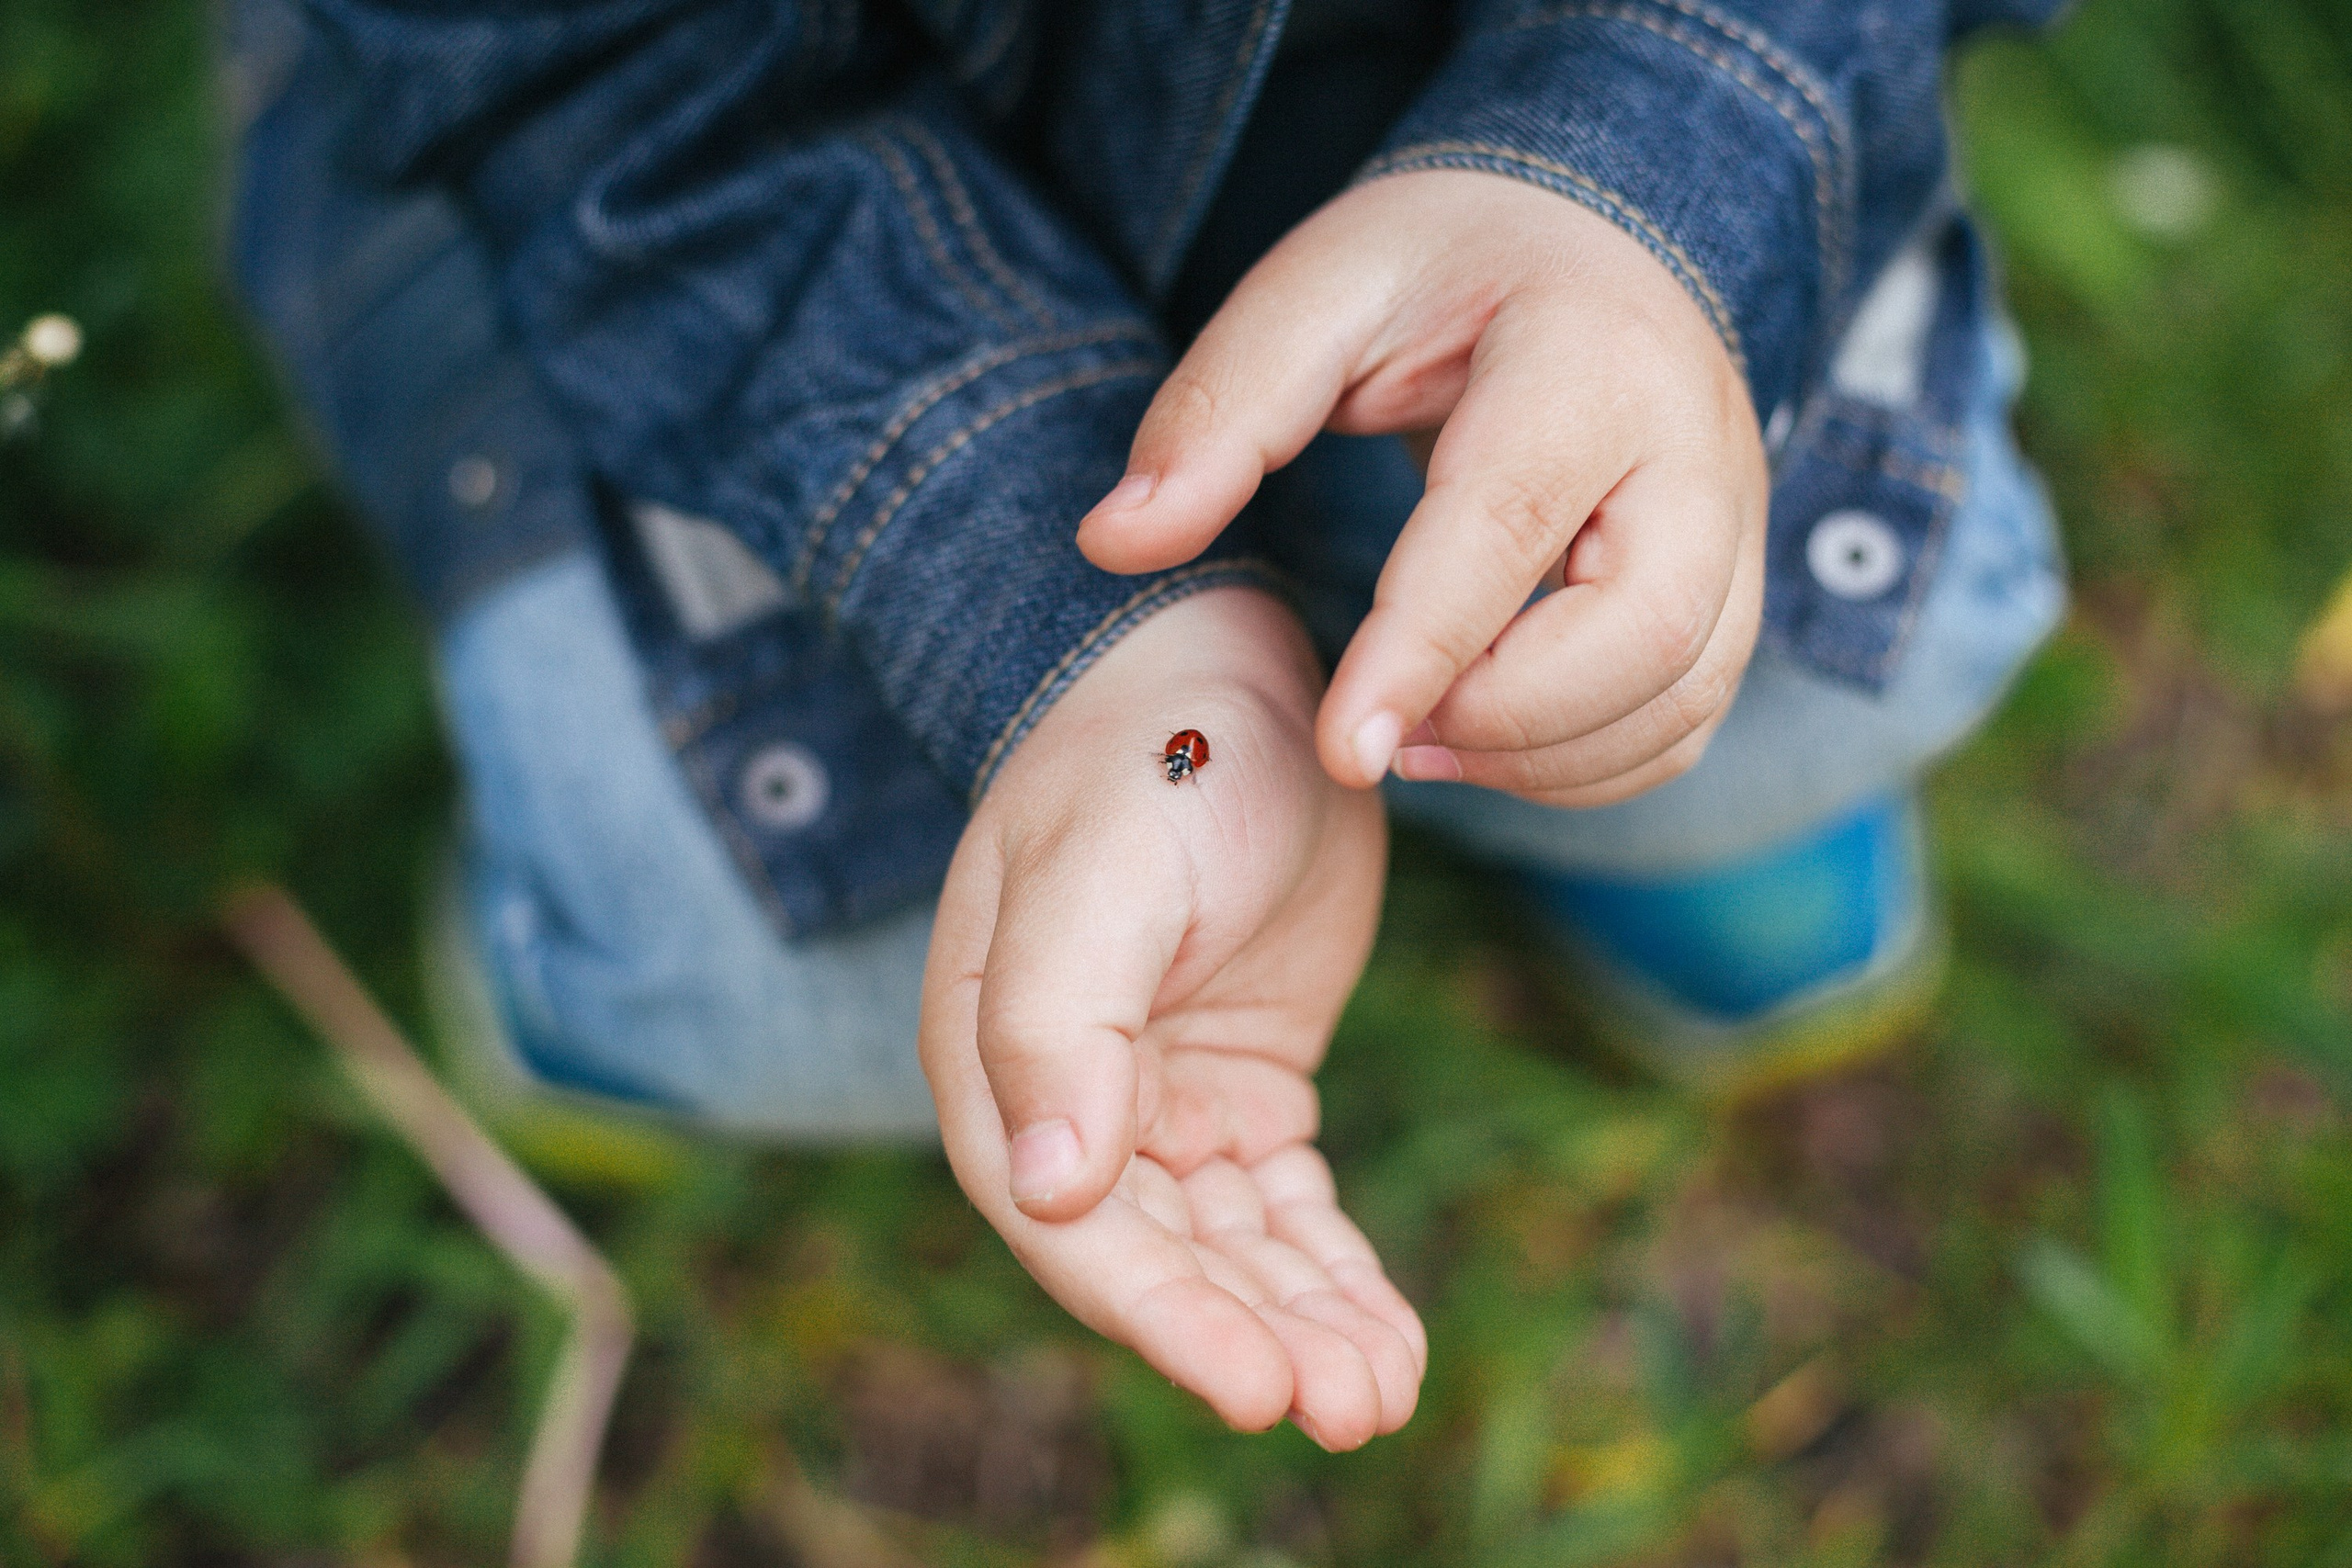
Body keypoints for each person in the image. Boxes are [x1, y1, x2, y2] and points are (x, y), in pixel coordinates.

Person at [226, 0, 2069, 1450]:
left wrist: (1651, 165)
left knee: (1811, 650)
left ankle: (1614, 786)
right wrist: (1097, 649)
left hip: (1509, 185)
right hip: (741, 255)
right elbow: (611, 94)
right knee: (775, 973)